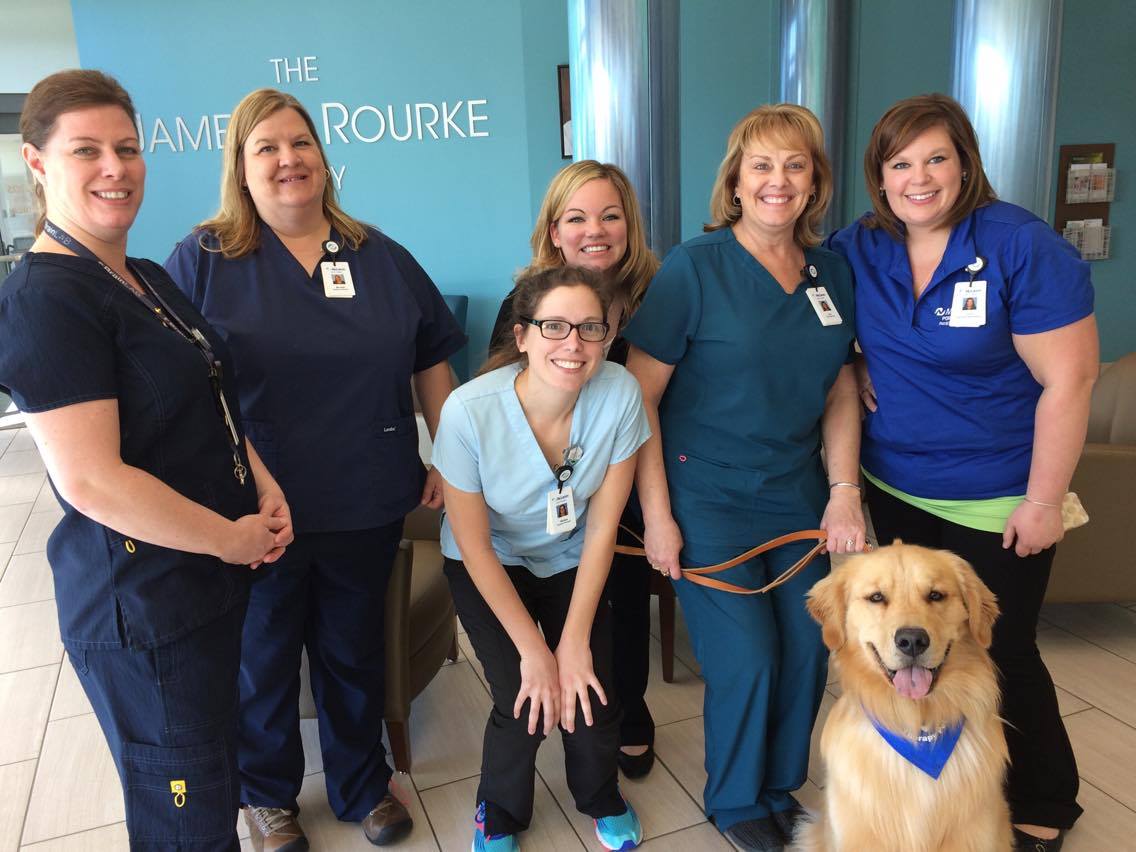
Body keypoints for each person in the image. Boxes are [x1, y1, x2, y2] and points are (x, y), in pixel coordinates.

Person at [0, 70, 293, 850]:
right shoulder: (44, 301)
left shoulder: (146, 277)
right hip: (145, 612)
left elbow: (211, 396)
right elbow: (93, 481)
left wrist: (262, 486)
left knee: (212, 787)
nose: (115, 168)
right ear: (37, 162)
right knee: (184, 818)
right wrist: (230, 538)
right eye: (86, 151)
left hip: (206, 583)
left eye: (127, 148)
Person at [165, 88, 465, 849]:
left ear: (324, 158)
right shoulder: (202, 260)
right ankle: (268, 796)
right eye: (265, 147)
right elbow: (176, 388)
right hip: (256, 509)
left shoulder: (378, 254)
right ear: (240, 166)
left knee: (352, 649)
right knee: (262, 656)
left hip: (366, 492)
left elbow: (433, 359)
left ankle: (363, 783)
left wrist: (451, 458)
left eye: (300, 143)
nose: (287, 159)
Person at [826, 93, 1097, 852]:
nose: (918, 178)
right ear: (879, 176)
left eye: (936, 159)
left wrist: (1044, 500)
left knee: (999, 647)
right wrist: (855, 360)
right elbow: (820, 317)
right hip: (895, 486)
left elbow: (1070, 381)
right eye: (900, 163)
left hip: (998, 495)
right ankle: (938, 789)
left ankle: (1044, 796)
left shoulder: (1021, 246)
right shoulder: (861, 245)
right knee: (916, 644)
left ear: (966, 163)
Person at [622, 104, 865, 852]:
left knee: (809, 644)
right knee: (748, 656)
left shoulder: (833, 273)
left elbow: (841, 385)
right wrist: (658, 517)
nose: (777, 180)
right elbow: (639, 401)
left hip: (796, 493)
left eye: (795, 165)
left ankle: (777, 786)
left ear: (815, 182)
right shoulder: (694, 268)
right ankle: (733, 800)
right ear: (734, 181)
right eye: (761, 165)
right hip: (706, 495)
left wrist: (844, 490)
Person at [435, 266, 650, 852]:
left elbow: (603, 528)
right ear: (523, 335)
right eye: (554, 326)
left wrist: (573, 642)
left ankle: (600, 795)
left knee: (591, 688)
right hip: (488, 560)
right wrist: (535, 651)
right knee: (521, 694)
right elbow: (474, 544)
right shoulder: (469, 410)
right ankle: (499, 811)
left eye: (590, 328)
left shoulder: (620, 394)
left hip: (571, 552)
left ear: (607, 336)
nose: (572, 344)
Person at [489, 160, 662, 778]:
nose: (595, 230)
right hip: (551, 488)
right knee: (563, 606)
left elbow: (661, 404)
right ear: (554, 231)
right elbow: (499, 401)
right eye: (577, 218)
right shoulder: (527, 302)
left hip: (631, 477)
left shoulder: (657, 297)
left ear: (629, 226)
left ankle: (627, 711)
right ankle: (559, 695)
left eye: (610, 216)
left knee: (624, 603)